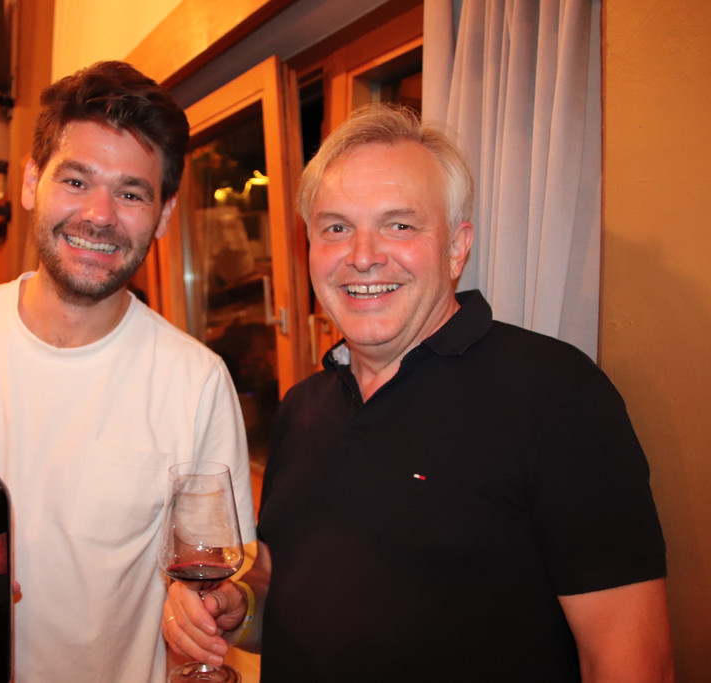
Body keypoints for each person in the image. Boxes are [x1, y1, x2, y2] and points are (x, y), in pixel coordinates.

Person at [162, 104, 675, 681]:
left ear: (457, 248)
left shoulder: (555, 394)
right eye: (336, 228)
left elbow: (633, 662)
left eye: (399, 225)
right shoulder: (300, 408)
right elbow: (282, 594)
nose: (362, 256)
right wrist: (237, 610)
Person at [0, 60, 255, 683]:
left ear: (164, 214)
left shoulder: (195, 380)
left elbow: (215, 574)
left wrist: (214, 609)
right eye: (76, 180)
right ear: (33, 182)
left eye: (132, 193)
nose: (100, 215)